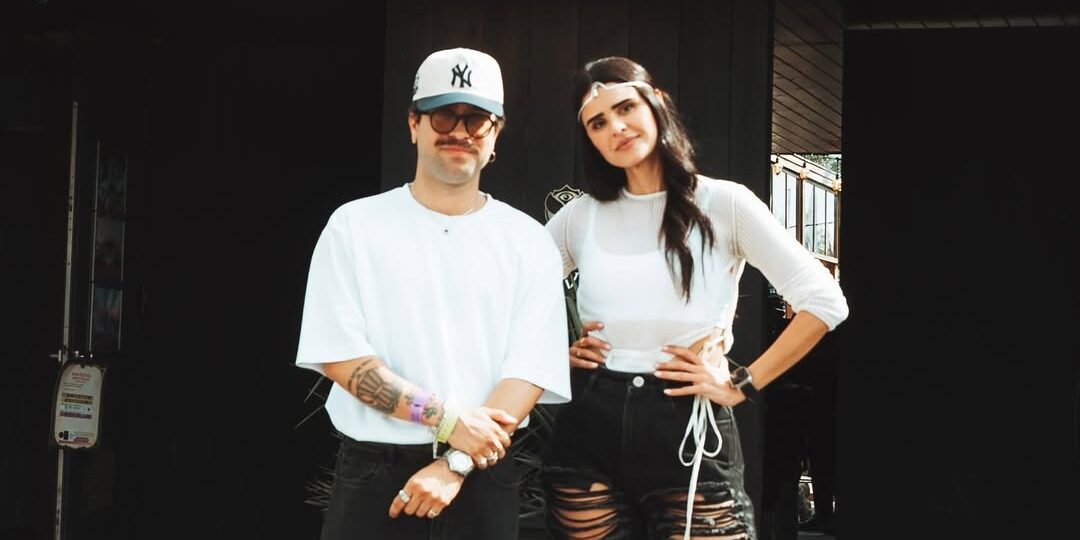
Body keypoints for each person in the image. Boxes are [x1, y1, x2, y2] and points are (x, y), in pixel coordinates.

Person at [539, 56, 849, 540]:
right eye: (597, 122)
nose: (615, 127)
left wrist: (742, 383)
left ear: (656, 103)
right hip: (591, 428)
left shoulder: (724, 203)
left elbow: (825, 301)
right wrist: (552, 359)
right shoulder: (581, 216)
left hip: (687, 426)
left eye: (625, 107)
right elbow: (509, 295)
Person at [295, 47, 572, 540]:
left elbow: (528, 372)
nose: (460, 132)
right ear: (413, 124)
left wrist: (456, 461)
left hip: (482, 476)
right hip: (374, 477)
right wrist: (447, 421)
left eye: (477, 120)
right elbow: (342, 358)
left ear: (496, 135)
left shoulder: (528, 241)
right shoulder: (355, 226)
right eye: (444, 116)